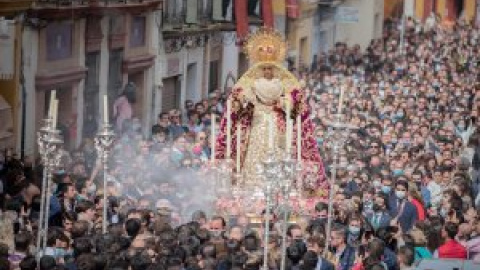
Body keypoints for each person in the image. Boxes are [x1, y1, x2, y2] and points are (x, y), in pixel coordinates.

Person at [215, 28, 325, 190]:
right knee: (255, 152)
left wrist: (284, 103)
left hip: (276, 123)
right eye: (264, 68)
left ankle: (278, 187)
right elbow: (237, 106)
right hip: (258, 123)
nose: (267, 71)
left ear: (275, 68)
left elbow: (296, 107)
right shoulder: (250, 84)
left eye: (270, 68)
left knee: (278, 151)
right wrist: (245, 102)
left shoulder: (284, 84)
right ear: (260, 68)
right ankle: (253, 186)